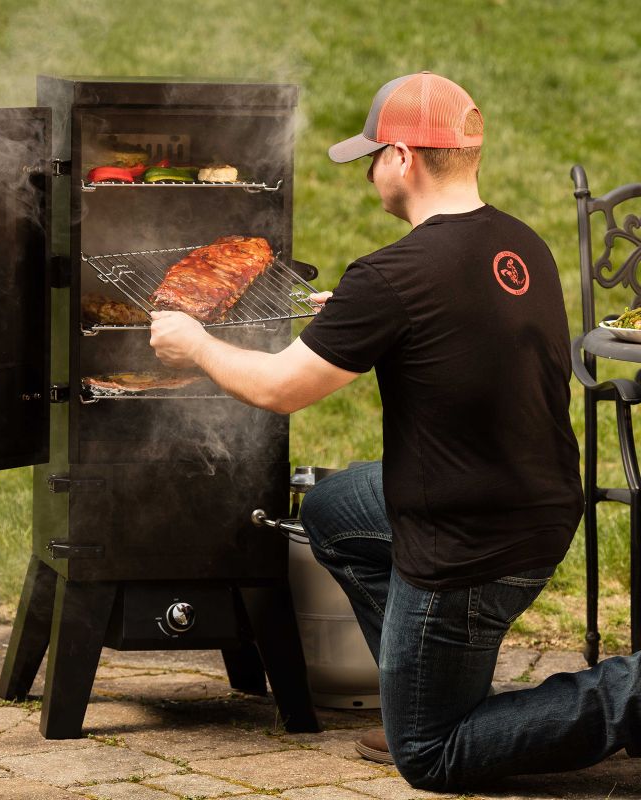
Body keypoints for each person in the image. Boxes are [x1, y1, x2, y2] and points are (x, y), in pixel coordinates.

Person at [149, 71, 640, 790]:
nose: (369, 173)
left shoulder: (392, 274)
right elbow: (451, 329)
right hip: (535, 503)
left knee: (431, 756)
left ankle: (621, 697)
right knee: (329, 508)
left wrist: (194, 343)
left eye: (372, 157)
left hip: (468, 545)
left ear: (404, 157)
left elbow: (279, 390)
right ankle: (421, 688)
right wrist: (352, 314)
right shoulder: (518, 242)